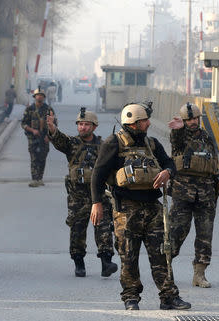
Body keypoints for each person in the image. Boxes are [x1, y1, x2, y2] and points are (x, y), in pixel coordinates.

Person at [90, 102, 191, 311]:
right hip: (126, 210)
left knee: (162, 254)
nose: (148, 123)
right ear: (134, 123)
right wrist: (96, 203)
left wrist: (167, 173)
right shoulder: (113, 144)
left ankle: (169, 297)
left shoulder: (152, 144)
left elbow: (169, 163)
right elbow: (97, 175)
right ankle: (131, 297)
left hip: (152, 208)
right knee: (128, 255)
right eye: (144, 120)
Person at [47, 107, 117, 278]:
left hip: (99, 195)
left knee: (104, 228)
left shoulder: (103, 146)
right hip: (77, 196)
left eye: (86, 124)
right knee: (77, 230)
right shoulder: (72, 144)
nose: (83, 127)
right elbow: (59, 139)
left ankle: (106, 262)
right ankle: (79, 262)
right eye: (80, 124)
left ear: (94, 127)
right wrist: (52, 128)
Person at [168, 103, 219, 288]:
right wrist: (178, 130)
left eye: (195, 119)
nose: (192, 122)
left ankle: (199, 274)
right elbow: (175, 142)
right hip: (183, 193)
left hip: (205, 194)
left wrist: (215, 191)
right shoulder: (180, 136)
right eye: (188, 119)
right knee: (176, 232)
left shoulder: (206, 137)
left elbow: (213, 162)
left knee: (205, 236)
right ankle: (165, 270)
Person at [21, 88, 55, 187]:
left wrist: (49, 136)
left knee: (42, 158)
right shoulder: (30, 109)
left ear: (44, 97)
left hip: (44, 138)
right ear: (35, 97)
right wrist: (32, 130)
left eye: (41, 95)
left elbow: (54, 124)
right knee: (34, 158)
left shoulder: (48, 109)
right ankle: (34, 179)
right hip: (32, 138)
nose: (39, 97)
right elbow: (23, 123)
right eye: (37, 95)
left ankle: (40, 178)